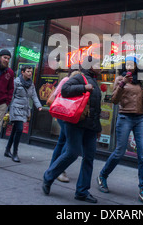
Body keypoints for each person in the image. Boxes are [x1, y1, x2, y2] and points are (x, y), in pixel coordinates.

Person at [42, 56, 102, 203]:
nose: (101, 67)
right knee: (72, 153)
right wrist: (83, 88)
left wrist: (98, 128)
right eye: (99, 65)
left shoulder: (95, 82)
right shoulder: (81, 78)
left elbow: (95, 108)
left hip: (90, 127)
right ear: (91, 66)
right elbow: (65, 89)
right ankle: (49, 176)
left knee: (89, 157)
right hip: (75, 123)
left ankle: (82, 191)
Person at [97, 56, 143, 205]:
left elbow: (140, 102)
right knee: (119, 152)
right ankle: (103, 175)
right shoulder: (119, 79)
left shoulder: (139, 81)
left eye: (132, 65)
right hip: (125, 118)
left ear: (136, 66)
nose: (129, 67)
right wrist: (122, 84)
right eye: (127, 65)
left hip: (139, 118)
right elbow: (114, 100)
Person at [46, 70, 81, 183]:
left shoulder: (77, 80)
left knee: (62, 141)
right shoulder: (67, 80)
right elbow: (55, 96)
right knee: (67, 141)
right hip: (64, 114)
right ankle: (59, 169)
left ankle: (53, 168)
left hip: (67, 114)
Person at [5, 65, 42, 162]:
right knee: (20, 129)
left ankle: (7, 150)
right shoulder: (16, 82)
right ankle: (15, 153)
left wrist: (38, 106)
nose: (30, 73)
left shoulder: (31, 84)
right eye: (28, 71)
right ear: (22, 72)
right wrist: (7, 109)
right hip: (16, 108)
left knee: (15, 130)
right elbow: (11, 96)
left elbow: (34, 96)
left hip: (25, 109)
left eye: (31, 71)